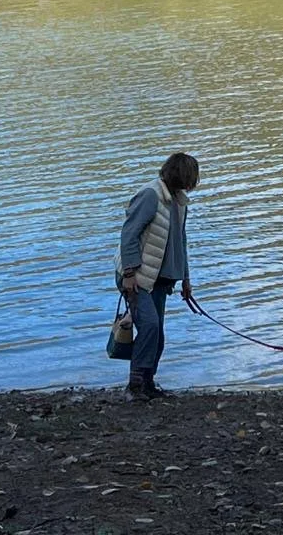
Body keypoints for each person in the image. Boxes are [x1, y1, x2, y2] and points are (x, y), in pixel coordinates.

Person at [116, 151, 199, 399]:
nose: (192, 184)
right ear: (181, 175)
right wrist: (129, 273)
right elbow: (128, 235)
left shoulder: (179, 202)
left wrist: (186, 279)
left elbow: (180, 242)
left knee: (158, 333)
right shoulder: (150, 195)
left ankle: (148, 383)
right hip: (138, 276)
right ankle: (134, 386)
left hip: (161, 279)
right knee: (150, 327)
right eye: (191, 177)